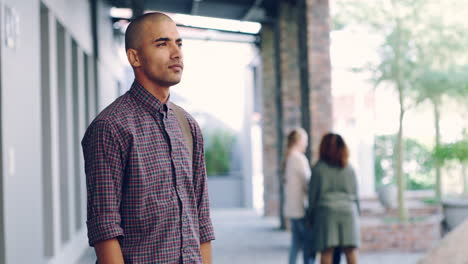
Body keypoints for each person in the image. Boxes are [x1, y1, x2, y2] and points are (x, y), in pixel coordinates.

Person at [81, 12, 215, 264]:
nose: (176, 53)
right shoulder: (110, 127)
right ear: (135, 57)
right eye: (162, 44)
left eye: (179, 43)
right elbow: (105, 228)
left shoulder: (188, 125)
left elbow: (202, 220)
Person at [307, 133, 360, 264]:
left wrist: (310, 217)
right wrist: (357, 213)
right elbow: (355, 195)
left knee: (326, 251)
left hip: (326, 213)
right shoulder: (349, 168)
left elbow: (312, 196)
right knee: (350, 251)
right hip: (348, 212)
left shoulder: (318, 169)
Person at [283, 128, 314, 264]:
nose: (306, 144)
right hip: (300, 209)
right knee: (308, 245)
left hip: (292, 208)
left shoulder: (289, 157)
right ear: (299, 141)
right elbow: (308, 183)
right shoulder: (299, 158)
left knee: (296, 243)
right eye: (305, 140)